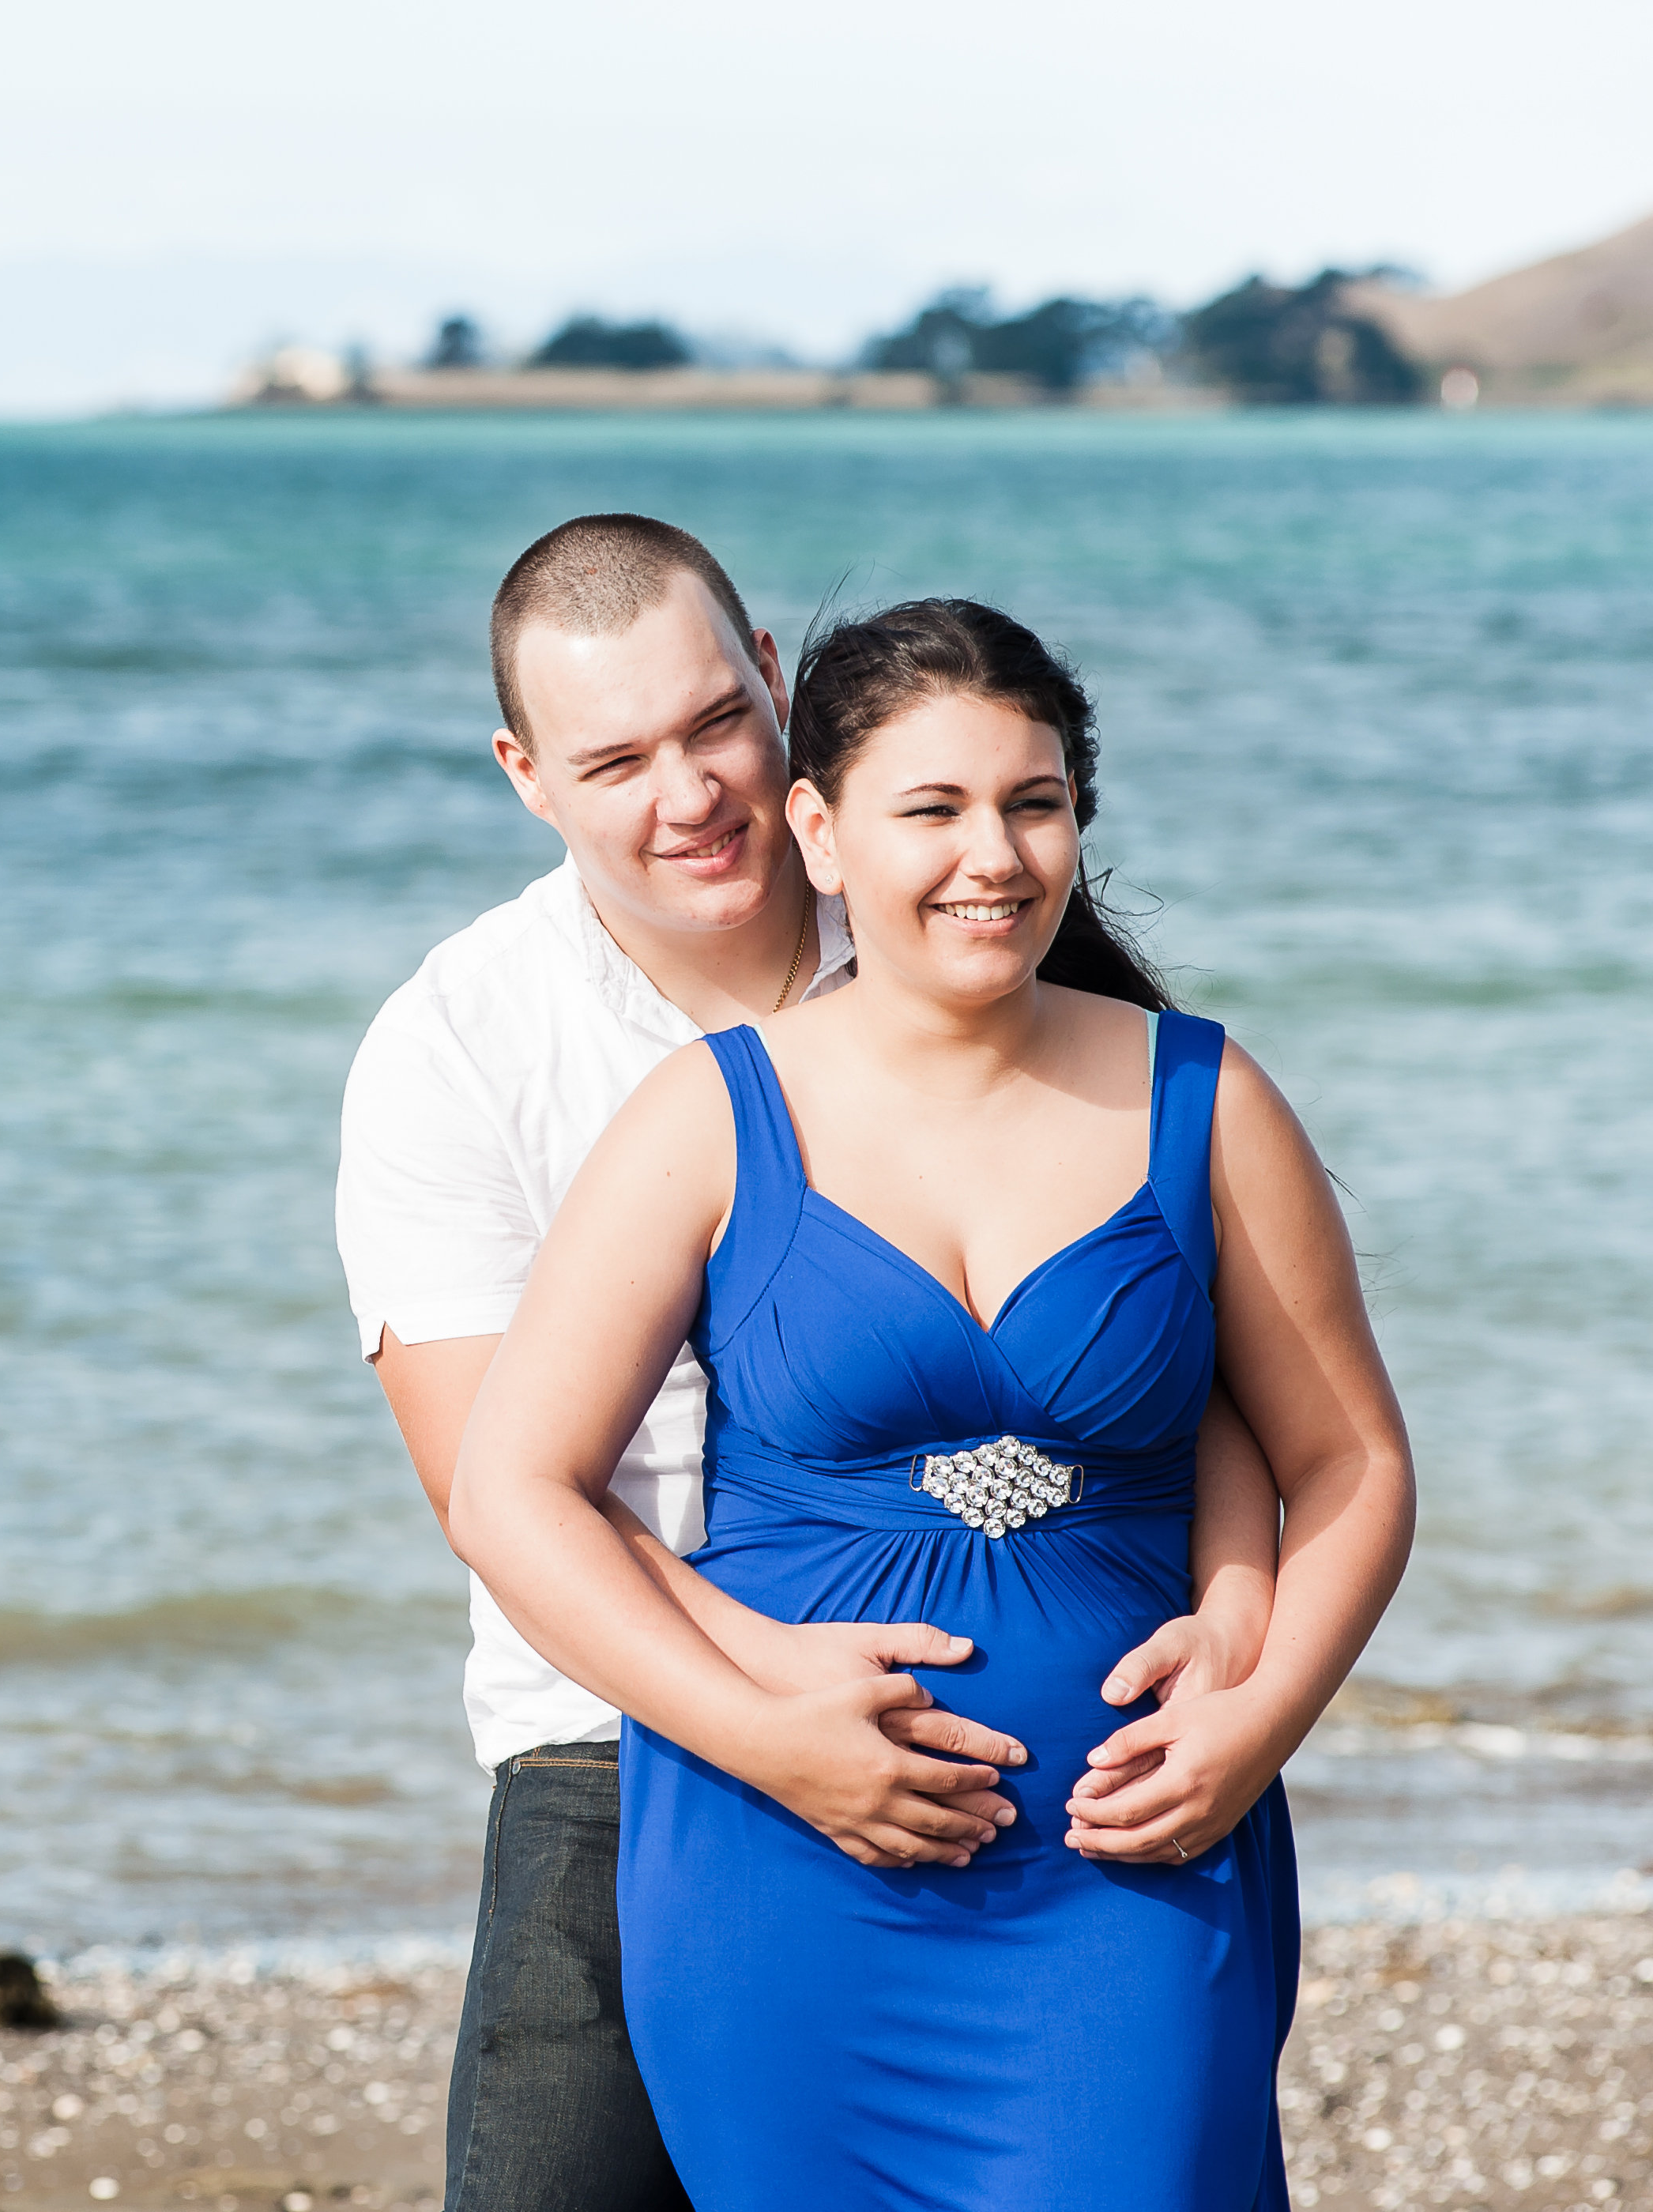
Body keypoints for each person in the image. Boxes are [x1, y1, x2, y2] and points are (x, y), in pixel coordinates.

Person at [337, 522, 1293, 2212]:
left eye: (715, 723)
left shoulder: (960, 909)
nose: (688, 793)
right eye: (614, 762)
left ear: (773, 686)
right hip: (610, 1739)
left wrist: (1240, 1620)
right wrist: (774, 1713)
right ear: (526, 776)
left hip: (1049, 1783)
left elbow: (1177, 1366)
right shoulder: (459, 1048)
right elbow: (497, 1485)